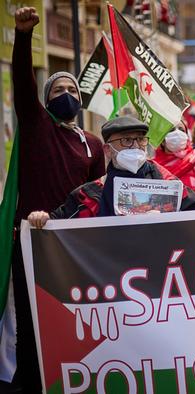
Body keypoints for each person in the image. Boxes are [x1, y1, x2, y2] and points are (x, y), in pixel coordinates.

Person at [10, 7, 107, 391]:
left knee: (72, 320)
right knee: (34, 322)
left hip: (73, 247)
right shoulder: (37, 127)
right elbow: (21, 81)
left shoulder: (93, 144)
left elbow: (98, 194)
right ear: (46, 99)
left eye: (73, 91)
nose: (66, 96)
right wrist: (23, 36)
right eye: (58, 91)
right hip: (32, 240)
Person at [27, 117, 195, 227]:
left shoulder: (164, 180)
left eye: (140, 139)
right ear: (107, 150)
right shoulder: (89, 194)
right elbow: (57, 225)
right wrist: (42, 218)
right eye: (126, 140)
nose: (136, 146)